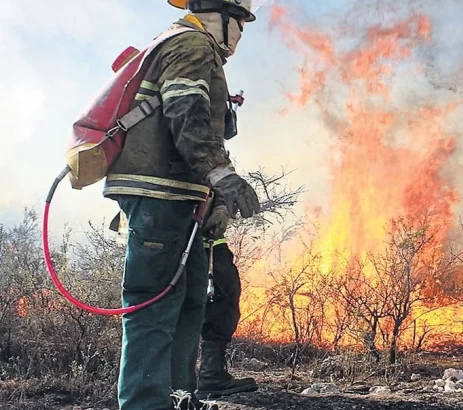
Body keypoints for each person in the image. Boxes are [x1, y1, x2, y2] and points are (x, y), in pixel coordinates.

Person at [102, 1, 260, 408]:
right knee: (153, 304)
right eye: (240, 24)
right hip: (159, 194)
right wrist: (221, 175)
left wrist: (211, 197)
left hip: (180, 195)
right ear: (222, 18)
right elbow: (184, 112)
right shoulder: (192, 44)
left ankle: (177, 397)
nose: (241, 35)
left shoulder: (184, 45)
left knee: (190, 300)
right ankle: (145, 403)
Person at [197, 204, 259, 398]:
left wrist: (219, 206)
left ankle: (201, 375)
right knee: (221, 298)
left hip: (202, 235)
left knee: (220, 294)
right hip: (189, 234)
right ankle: (209, 374)